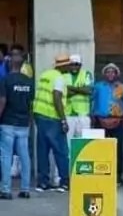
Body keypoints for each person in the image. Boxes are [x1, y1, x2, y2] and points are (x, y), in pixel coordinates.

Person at [90, 63, 123, 186]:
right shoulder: (98, 87)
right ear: (104, 74)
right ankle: (101, 174)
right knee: (100, 149)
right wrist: (92, 114)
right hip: (100, 121)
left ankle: (117, 177)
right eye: (108, 72)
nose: (110, 74)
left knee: (117, 149)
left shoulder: (122, 88)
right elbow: (91, 100)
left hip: (117, 121)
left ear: (117, 74)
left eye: (113, 72)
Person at [33, 54, 70, 193]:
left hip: (39, 115)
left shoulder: (45, 74)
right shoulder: (59, 78)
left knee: (43, 151)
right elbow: (56, 97)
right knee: (61, 151)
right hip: (52, 117)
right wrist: (63, 119)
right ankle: (64, 182)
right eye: (68, 64)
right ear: (64, 66)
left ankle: (42, 183)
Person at [0, 47, 34, 200]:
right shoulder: (29, 82)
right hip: (23, 123)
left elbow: (2, 101)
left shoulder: (5, 80)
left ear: (10, 62)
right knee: (24, 156)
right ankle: (25, 189)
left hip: (8, 122)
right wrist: (29, 121)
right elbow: (31, 104)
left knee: (6, 156)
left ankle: (6, 190)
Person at [65, 54, 94, 142]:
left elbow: (89, 90)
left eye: (76, 64)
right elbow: (64, 93)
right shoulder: (64, 75)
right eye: (72, 64)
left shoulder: (86, 74)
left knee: (83, 143)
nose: (74, 67)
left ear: (80, 65)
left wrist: (71, 88)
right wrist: (81, 89)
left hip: (83, 115)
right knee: (68, 143)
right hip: (68, 115)